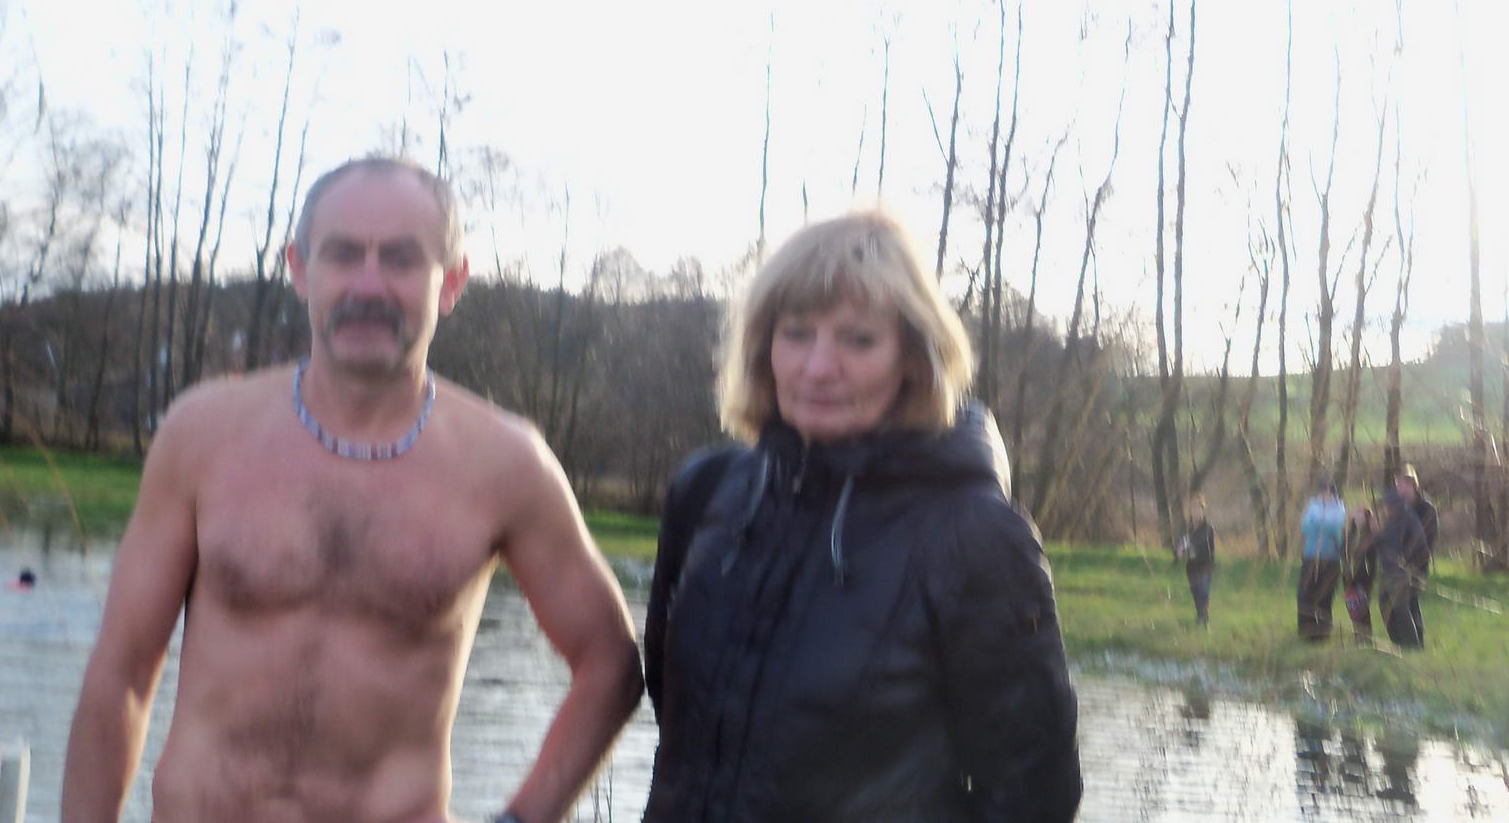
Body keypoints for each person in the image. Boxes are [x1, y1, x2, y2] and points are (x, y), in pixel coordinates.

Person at [61, 157, 642, 823]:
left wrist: (519, 819)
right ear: (300, 270)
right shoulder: (203, 434)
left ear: (452, 282)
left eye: (401, 259)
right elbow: (122, 670)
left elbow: (610, 664)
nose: (369, 285)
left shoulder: (507, 464)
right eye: (342, 255)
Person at [642, 211, 1082, 821]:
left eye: (858, 340)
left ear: (914, 359)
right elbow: (678, 718)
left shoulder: (975, 538)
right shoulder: (706, 492)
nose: (819, 367)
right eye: (797, 333)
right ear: (763, 348)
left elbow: (1035, 797)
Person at [1376, 488, 1431, 649]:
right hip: (1402, 571)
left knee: (1398, 609)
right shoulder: (1403, 518)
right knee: (1400, 607)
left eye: (1385, 505)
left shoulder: (1401, 521)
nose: (1384, 509)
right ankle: (1405, 644)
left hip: (1400, 573)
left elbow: (1392, 548)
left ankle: (1410, 645)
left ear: (1393, 505)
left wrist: (1376, 533)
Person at [1395, 467, 1440, 646]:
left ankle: (1416, 642)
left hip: (1418, 564)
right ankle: (1403, 642)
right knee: (1400, 604)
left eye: (1403, 485)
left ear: (1413, 485)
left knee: (1411, 602)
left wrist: (1415, 559)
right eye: (1397, 485)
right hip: (1397, 564)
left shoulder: (1426, 509)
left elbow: (1430, 538)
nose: (1400, 489)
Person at [1297, 479, 1345, 640]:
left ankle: (1323, 632)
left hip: (1331, 557)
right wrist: (1321, 526)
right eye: (1322, 491)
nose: (1324, 495)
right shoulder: (1313, 506)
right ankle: (1306, 630)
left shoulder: (1339, 508)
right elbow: (1305, 527)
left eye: (1328, 492)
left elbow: (1338, 530)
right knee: (1306, 593)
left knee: (1325, 595)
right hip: (1311, 555)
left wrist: (1320, 526)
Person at [1342, 503, 1380, 641]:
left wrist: (1371, 578)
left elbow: (1372, 560)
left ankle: (1366, 636)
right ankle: (1358, 634)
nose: (1356, 516)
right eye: (1356, 513)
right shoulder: (1349, 534)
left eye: (1360, 514)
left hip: (1363, 577)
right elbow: (1344, 554)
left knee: (1362, 606)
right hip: (1349, 577)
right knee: (1352, 605)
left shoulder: (1369, 536)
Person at [1179, 498, 1217, 627]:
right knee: (1196, 595)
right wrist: (1178, 551)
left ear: (1203, 511)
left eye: (1198, 509)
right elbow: (1180, 545)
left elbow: (1197, 542)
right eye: (1193, 509)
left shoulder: (1208, 528)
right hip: (1192, 568)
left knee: (1203, 594)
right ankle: (1201, 619)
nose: (1195, 512)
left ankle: (1204, 622)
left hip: (1205, 567)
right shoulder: (1187, 529)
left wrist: (1184, 549)